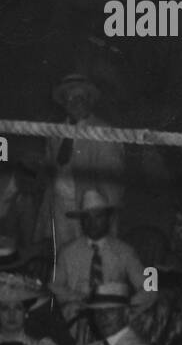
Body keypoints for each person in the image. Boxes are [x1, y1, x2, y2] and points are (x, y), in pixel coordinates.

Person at [38, 73, 126, 248]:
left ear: (89, 101)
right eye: (70, 98)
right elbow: (49, 167)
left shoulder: (104, 132)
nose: (75, 102)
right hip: (59, 207)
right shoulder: (55, 132)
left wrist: (101, 217)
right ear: (63, 103)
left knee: (89, 256)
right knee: (63, 255)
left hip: (88, 210)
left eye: (80, 97)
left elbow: (113, 182)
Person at [50, 188, 155, 328]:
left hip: (112, 322)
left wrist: (124, 307)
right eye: (87, 217)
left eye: (98, 216)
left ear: (109, 218)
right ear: (81, 221)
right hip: (76, 322)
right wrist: (78, 299)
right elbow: (53, 286)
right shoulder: (68, 252)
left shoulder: (124, 251)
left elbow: (150, 288)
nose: (92, 223)